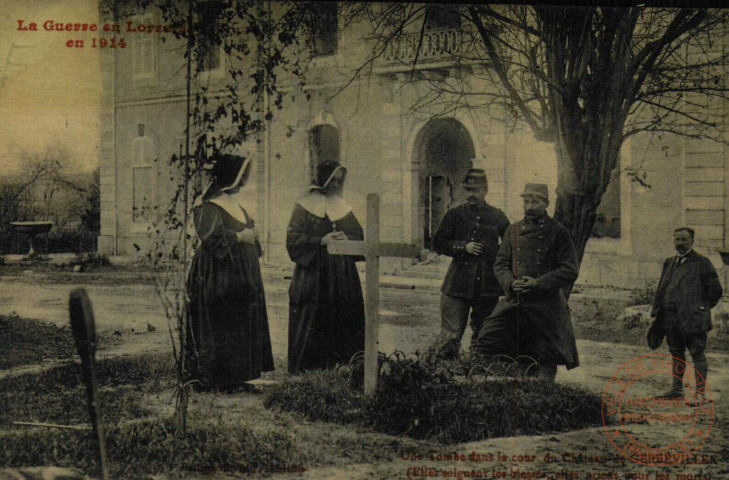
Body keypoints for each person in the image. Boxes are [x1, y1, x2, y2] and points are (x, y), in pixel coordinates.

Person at [472, 183, 579, 381]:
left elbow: (570, 269)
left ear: (546, 203)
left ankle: (544, 394)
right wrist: (510, 283)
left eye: (535, 201)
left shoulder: (558, 232)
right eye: (526, 201)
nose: (529, 206)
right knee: (486, 339)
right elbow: (501, 264)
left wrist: (538, 283)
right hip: (515, 301)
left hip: (546, 306)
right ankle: (505, 389)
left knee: (545, 357)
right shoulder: (512, 230)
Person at [186, 154, 274, 392]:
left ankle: (238, 377)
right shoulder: (207, 206)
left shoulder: (236, 205)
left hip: (239, 273)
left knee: (239, 320)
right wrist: (239, 236)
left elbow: (247, 228)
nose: (242, 182)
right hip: (217, 273)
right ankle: (217, 379)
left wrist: (252, 233)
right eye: (240, 178)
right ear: (229, 179)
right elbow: (210, 237)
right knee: (222, 319)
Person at [286, 161, 365, 373]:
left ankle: (342, 368)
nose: (336, 185)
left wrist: (346, 237)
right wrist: (321, 240)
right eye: (333, 180)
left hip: (342, 275)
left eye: (340, 181)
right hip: (314, 273)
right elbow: (293, 241)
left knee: (343, 315)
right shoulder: (304, 206)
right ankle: (310, 371)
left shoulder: (343, 207)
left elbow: (359, 236)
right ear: (324, 180)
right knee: (315, 316)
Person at [432, 168, 510, 359]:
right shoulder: (455, 215)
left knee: (484, 335)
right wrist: (462, 247)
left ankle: (477, 373)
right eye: (468, 190)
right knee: (450, 336)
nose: (471, 195)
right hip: (457, 285)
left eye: (476, 190)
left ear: (486, 191)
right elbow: (437, 243)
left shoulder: (497, 216)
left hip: (487, 287)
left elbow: (510, 245)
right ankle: (446, 374)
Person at [650, 227, 722, 404]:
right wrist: (655, 312)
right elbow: (661, 289)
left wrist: (700, 308)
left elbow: (716, 291)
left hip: (692, 318)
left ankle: (700, 393)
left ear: (692, 241)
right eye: (677, 240)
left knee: (697, 353)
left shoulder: (702, 263)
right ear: (673, 241)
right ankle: (676, 389)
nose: (680, 244)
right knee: (676, 353)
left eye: (684, 240)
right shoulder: (669, 262)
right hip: (670, 318)